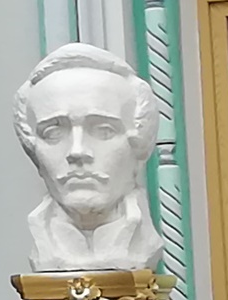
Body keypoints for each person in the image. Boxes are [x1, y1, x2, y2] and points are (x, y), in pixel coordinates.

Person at [14, 43, 162, 273]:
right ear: (32, 148)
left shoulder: (145, 244)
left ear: (139, 144)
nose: (77, 151)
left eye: (104, 131)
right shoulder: (41, 241)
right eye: (53, 133)